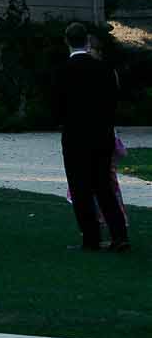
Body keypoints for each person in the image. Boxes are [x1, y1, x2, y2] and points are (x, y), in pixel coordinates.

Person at [55, 24, 131, 253]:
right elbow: (113, 102)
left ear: (67, 41)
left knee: (81, 189)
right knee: (104, 187)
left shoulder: (62, 71)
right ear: (87, 41)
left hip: (75, 136)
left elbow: (57, 106)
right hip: (102, 135)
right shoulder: (105, 69)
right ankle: (119, 235)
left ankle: (91, 238)